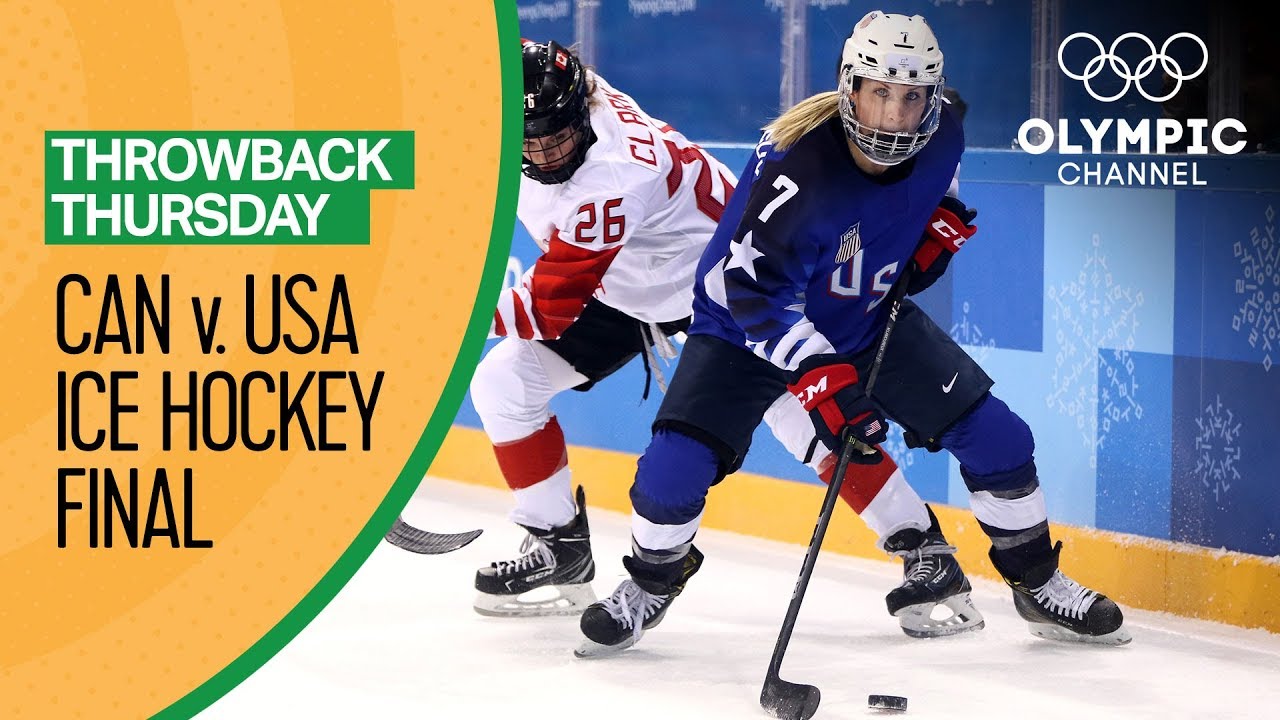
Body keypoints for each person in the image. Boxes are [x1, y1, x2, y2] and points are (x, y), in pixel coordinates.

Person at [577, 11, 1130, 656]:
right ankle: (651, 582)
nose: (896, 115)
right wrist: (823, 383)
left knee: (1001, 437)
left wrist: (940, 222)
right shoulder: (795, 170)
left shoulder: (943, 123)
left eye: (912, 96)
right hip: (743, 331)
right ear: (849, 89)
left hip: (861, 319)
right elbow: (749, 290)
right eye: (880, 93)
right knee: (671, 474)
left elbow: (940, 177)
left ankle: (1037, 581)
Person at [471, 39, 983, 638]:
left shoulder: (612, 176)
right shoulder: (563, 97)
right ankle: (557, 542)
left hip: (723, 279)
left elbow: (549, 306)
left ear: (582, 111)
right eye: (525, 136)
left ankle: (923, 549)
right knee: (505, 381)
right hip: (628, 275)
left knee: (804, 418)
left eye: (554, 136)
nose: (542, 150)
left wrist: (438, 332)